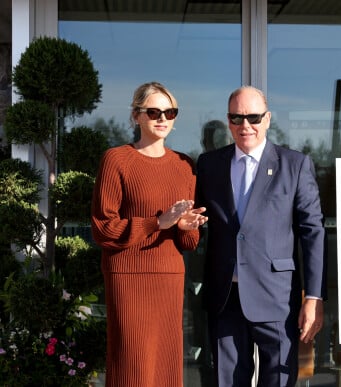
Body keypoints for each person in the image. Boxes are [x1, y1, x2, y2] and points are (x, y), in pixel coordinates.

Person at [195, 85, 326, 387]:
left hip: (277, 297)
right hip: (225, 297)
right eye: (237, 118)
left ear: (268, 119)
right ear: (228, 121)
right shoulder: (209, 165)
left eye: (253, 117)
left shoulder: (294, 165)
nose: (245, 126)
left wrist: (314, 297)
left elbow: (312, 232)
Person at [91, 81, 208, 387]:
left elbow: (188, 243)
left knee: (166, 364)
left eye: (170, 112)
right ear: (136, 116)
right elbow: (103, 228)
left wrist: (187, 227)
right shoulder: (116, 159)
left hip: (169, 276)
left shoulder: (184, 166)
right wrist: (157, 223)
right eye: (153, 111)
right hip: (128, 276)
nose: (162, 118)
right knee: (132, 363)